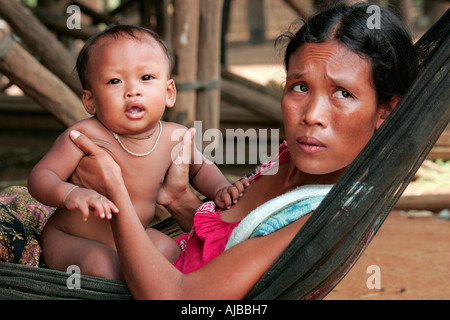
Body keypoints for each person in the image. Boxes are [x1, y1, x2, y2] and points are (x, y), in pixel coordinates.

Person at [63, 3, 418, 298]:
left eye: (343, 93)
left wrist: (116, 187)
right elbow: (231, 248)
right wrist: (181, 200)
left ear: (385, 110)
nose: (312, 115)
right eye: (299, 87)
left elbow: (180, 299)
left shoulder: (329, 216)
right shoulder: (291, 158)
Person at [28, 25, 247, 280]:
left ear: (169, 93)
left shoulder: (174, 136)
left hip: (133, 238)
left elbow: (201, 168)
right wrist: (70, 194)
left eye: (146, 78)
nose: (132, 90)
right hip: (71, 238)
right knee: (103, 266)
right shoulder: (84, 135)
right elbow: (41, 176)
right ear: (90, 101)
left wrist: (220, 188)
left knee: (171, 252)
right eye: (115, 81)